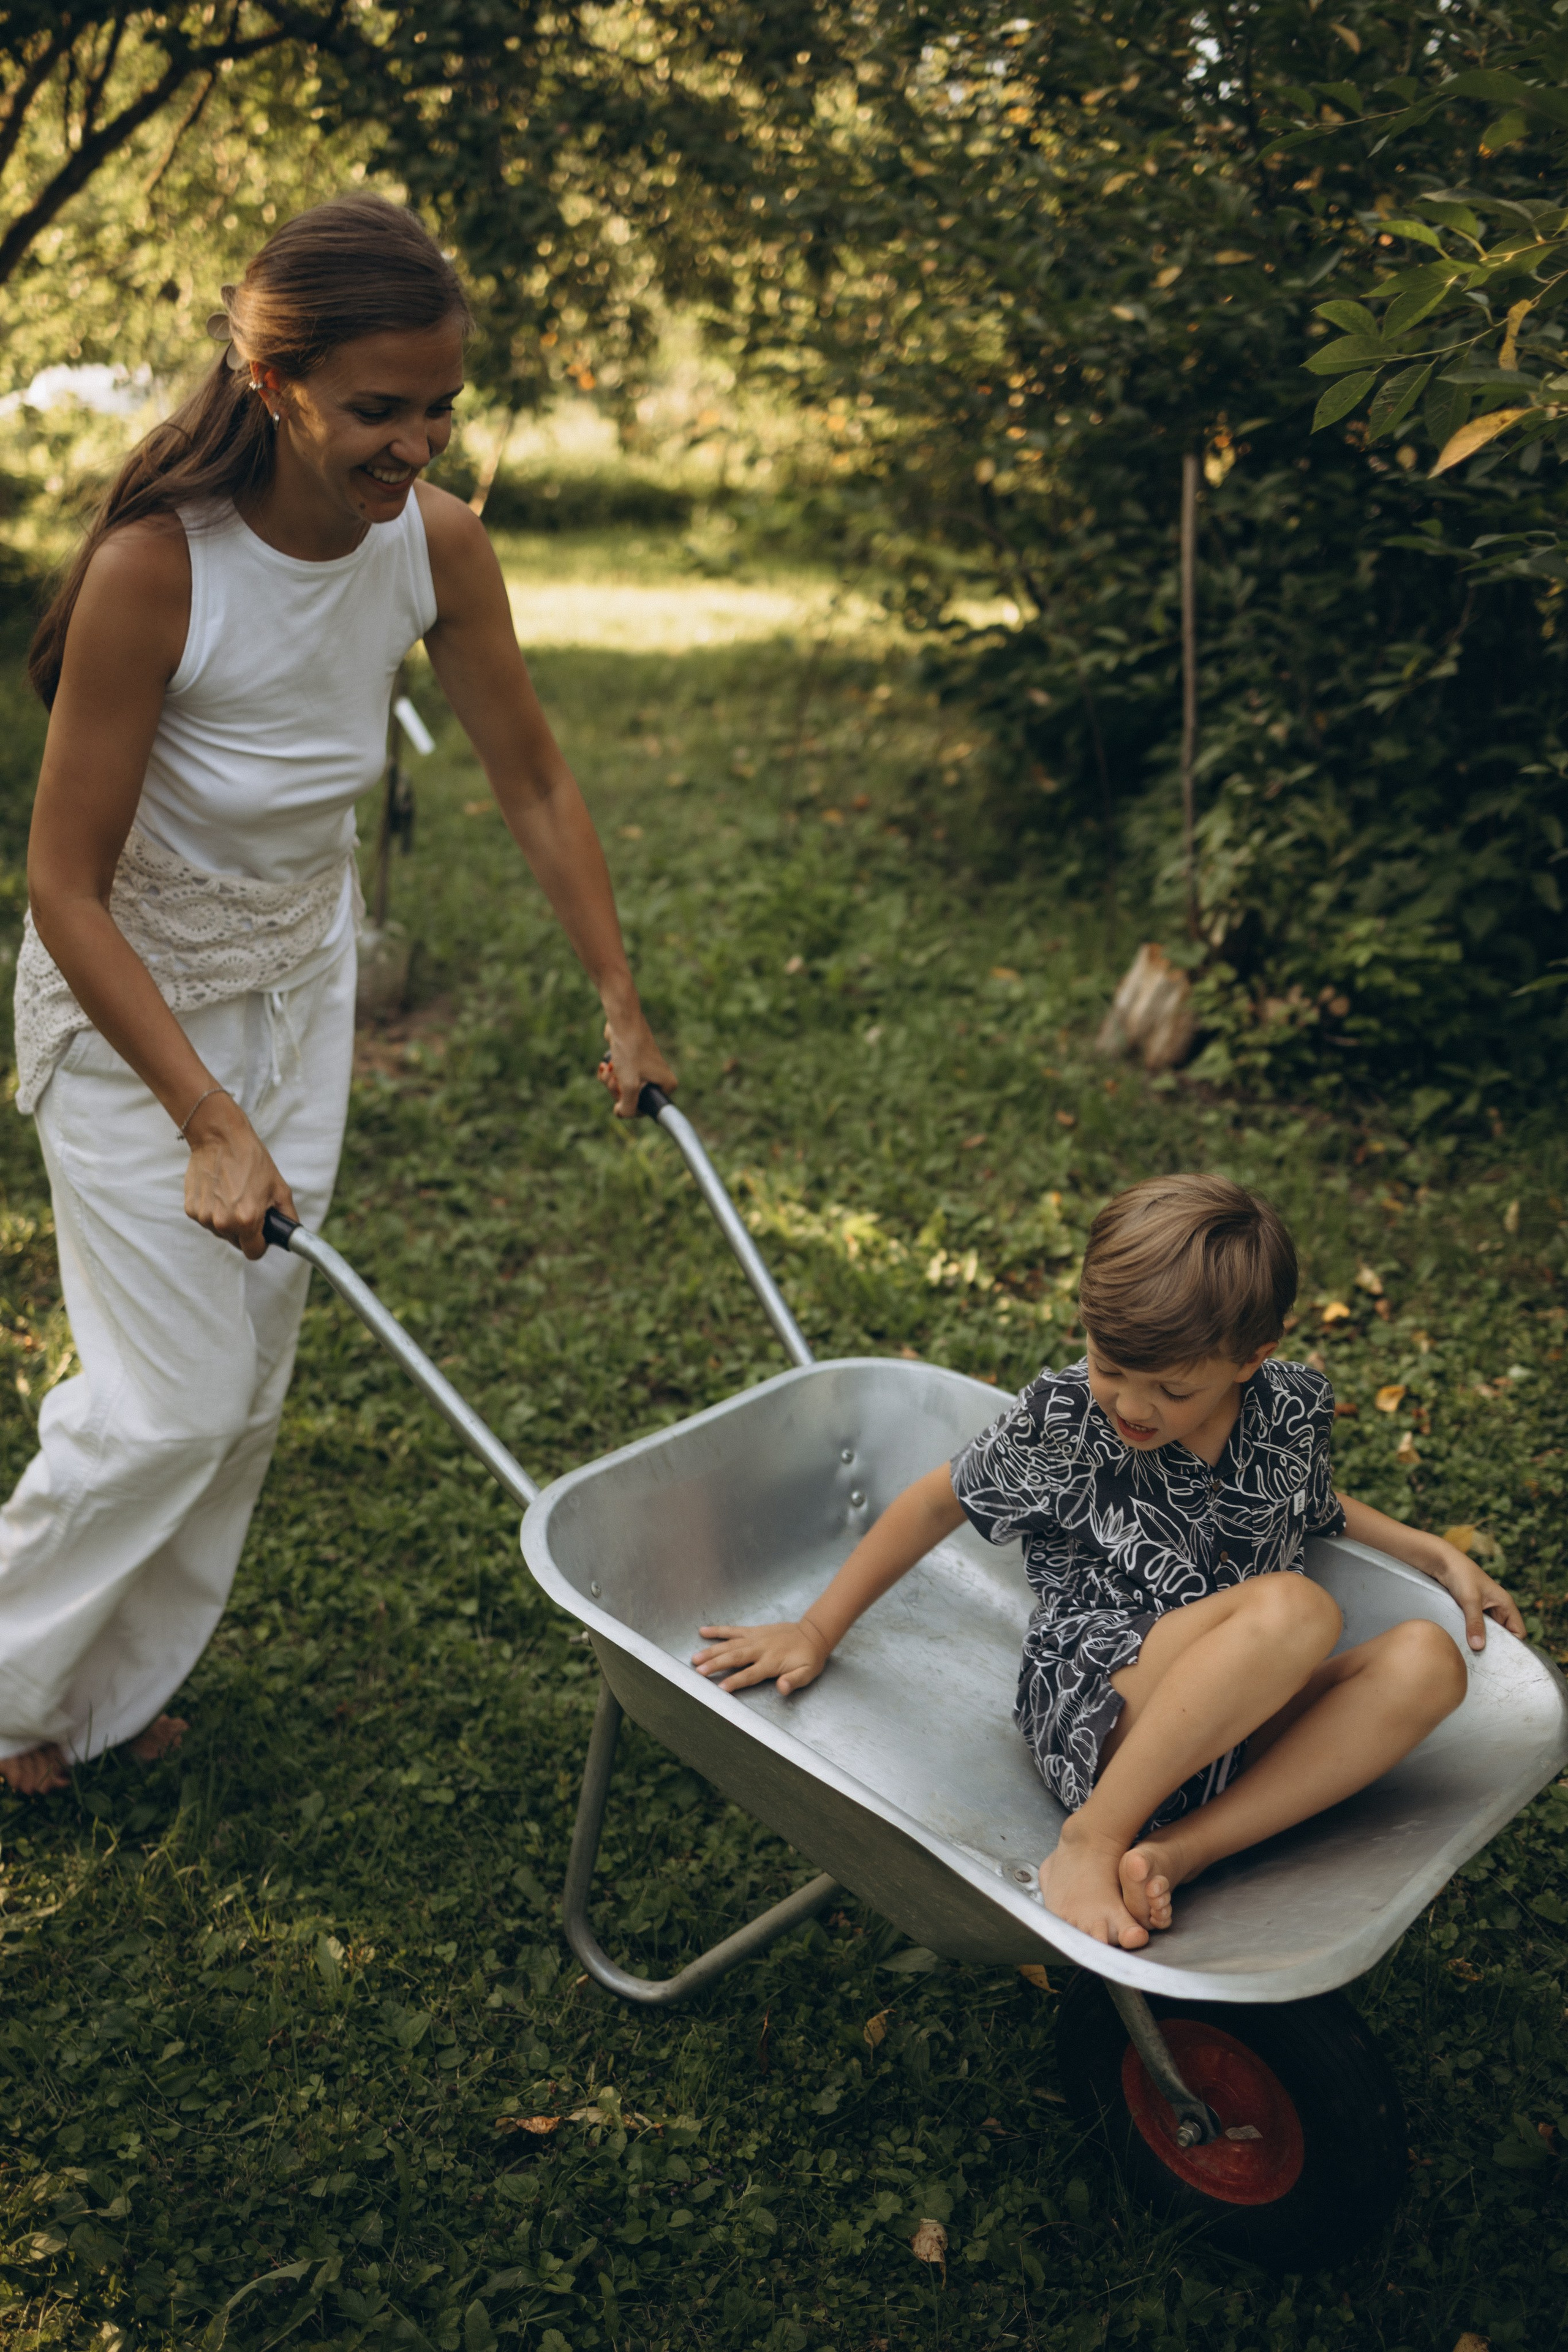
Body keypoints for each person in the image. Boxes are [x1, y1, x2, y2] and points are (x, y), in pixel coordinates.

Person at [0, 194, 673, 1797]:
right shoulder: (161, 572)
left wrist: (620, 1003)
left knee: (243, 1394)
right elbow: (60, 889)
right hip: (132, 1020)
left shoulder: (436, 543)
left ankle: (93, 1705)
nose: (417, 446)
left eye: (441, 407)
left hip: (299, 987)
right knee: (171, 1400)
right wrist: (208, 1122)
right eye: (381, 409)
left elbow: (530, 779)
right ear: (272, 379)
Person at [692, 1173, 1522, 1951]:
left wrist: (1428, 1551)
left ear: (1251, 1358)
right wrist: (814, 1627)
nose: (1132, 1405)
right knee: (1296, 1609)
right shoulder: (1067, 1419)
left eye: (1171, 1389)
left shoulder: (1291, 1412)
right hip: (1101, 1699)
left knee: (1427, 1662)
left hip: (1238, 1717)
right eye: (1111, 1367)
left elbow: (1310, 1508)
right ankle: (1092, 1839)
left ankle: (1178, 1852)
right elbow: (934, 1502)